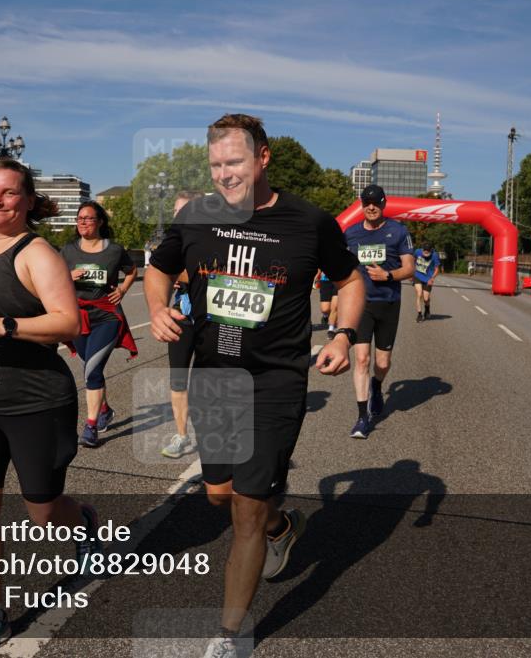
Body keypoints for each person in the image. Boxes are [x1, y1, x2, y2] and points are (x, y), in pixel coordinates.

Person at [145, 113, 364, 658]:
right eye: (216, 164)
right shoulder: (196, 216)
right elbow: (158, 267)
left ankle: (229, 636)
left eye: (235, 162)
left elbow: (350, 279)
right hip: (213, 378)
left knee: (245, 508)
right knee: (219, 495)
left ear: (263, 158)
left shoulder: (309, 221)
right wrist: (157, 308)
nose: (225, 174)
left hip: (275, 382)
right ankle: (281, 526)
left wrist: (342, 334)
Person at [0, 157, 101, 658]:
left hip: (36, 403)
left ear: (28, 201)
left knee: (43, 513)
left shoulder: (37, 252)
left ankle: (83, 521)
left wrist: (2, 326)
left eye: (8, 192)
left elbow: (68, 323)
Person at [61, 201, 138, 448]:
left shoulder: (114, 250)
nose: (83, 222)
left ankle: (91, 427)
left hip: (107, 316)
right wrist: (67, 276)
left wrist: (122, 290)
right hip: (78, 317)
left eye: (89, 218)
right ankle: (104, 410)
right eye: (80, 218)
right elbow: (52, 278)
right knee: (89, 368)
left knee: (92, 371)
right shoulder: (68, 251)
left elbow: (132, 271)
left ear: (100, 222)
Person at [343, 184, 415, 439]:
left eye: (376, 203)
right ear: (362, 205)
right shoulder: (351, 233)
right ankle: (362, 417)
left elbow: (410, 268)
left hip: (388, 303)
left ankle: (377, 384)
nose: (371, 207)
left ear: (383, 204)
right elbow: (343, 265)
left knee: (382, 363)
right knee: (362, 359)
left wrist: (388, 275)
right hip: (361, 304)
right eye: (366, 202)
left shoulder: (398, 231)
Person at [161, 189, 206, 459]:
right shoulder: (172, 243)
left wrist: (179, 274)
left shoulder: (213, 239)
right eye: (176, 211)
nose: (177, 216)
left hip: (210, 320)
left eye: (183, 211)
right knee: (178, 379)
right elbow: (159, 273)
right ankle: (181, 435)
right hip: (182, 317)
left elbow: (200, 272)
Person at [413, 241, 442, 321]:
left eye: (427, 253)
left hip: (428, 278)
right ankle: (419, 314)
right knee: (419, 294)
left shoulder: (435, 255)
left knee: (426, 299)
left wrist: (432, 278)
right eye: (424, 252)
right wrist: (411, 273)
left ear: (431, 250)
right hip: (417, 275)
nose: (426, 254)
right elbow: (412, 261)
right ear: (422, 250)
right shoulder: (417, 252)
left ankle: (427, 309)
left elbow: (437, 269)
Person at [315, 270, 340, 337]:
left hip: (340, 280)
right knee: (325, 309)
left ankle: (331, 329)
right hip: (325, 279)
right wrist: (317, 275)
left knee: (335, 306)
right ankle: (325, 315)